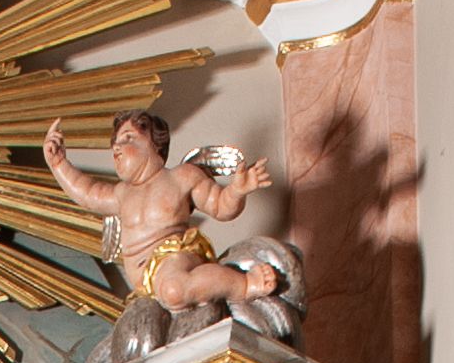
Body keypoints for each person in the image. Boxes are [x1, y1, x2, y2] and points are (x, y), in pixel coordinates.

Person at [41, 109, 279, 317]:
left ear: (155, 144)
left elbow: (220, 207)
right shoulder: (122, 193)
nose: (117, 147)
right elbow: (88, 193)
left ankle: (245, 284)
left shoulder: (181, 177)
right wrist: (59, 164)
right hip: (146, 282)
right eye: (115, 143)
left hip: (176, 256)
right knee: (158, 298)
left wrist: (237, 191)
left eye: (128, 138)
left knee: (173, 289)